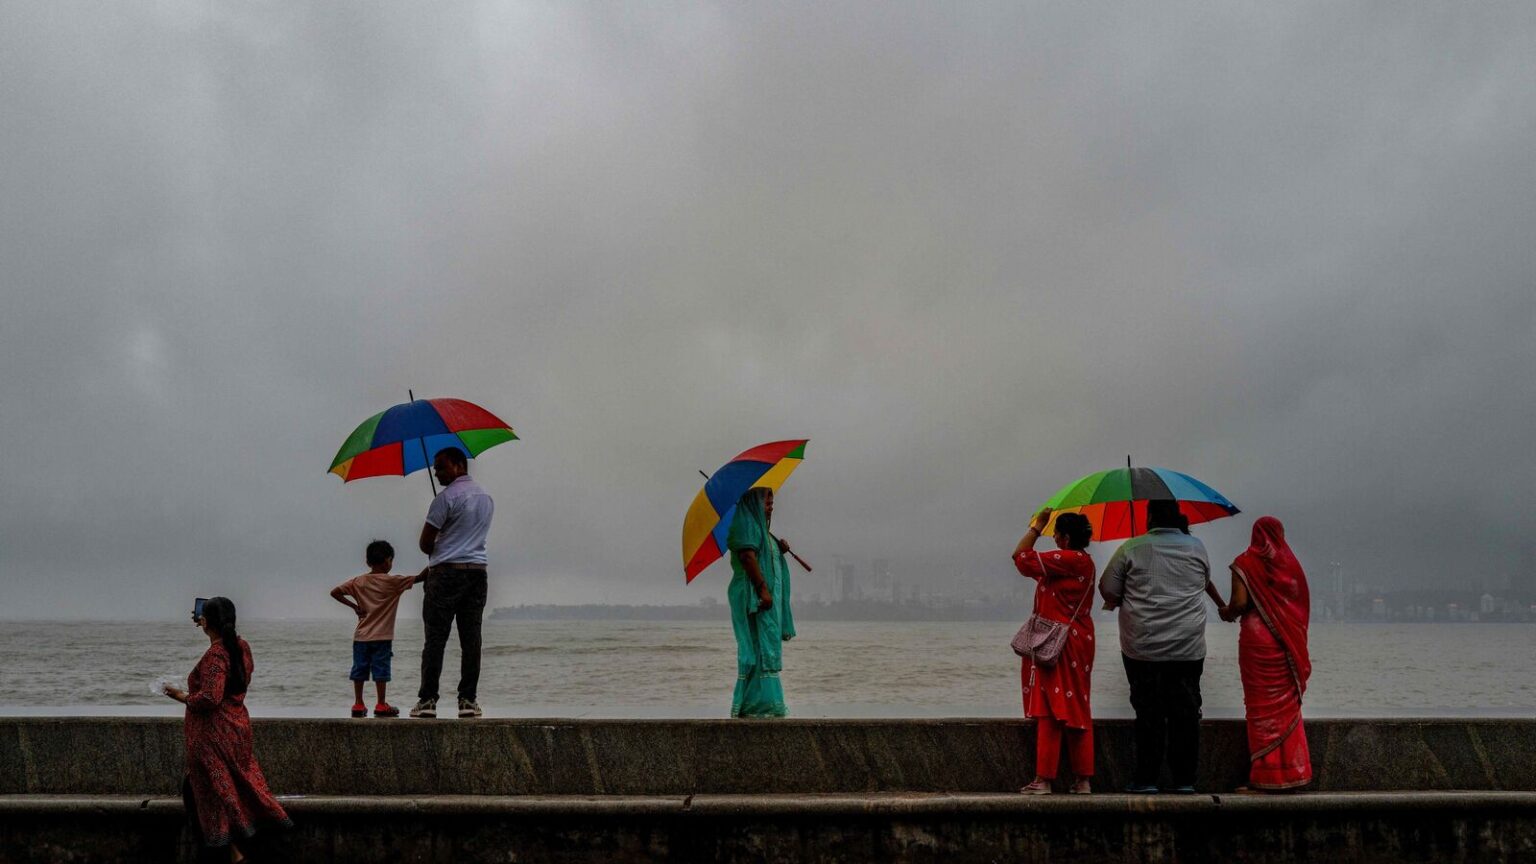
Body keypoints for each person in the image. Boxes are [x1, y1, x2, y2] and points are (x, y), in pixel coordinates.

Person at [162, 597, 291, 861]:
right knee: (233, 785)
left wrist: (180, 695)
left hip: (212, 736)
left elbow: (210, 697)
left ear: (207, 622)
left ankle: (231, 851)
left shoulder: (216, 654)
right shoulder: (241, 647)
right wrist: (207, 622)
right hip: (237, 728)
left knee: (206, 791)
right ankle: (238, 850)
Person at [1099, 499, 1214, 794]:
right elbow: (1203, 581)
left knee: (1148, 712)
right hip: (1188, 647)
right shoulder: (1196, 546)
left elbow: (1108, 589)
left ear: (1149, 517)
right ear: (1177, 518)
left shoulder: (1131, 548)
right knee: (1186, 712)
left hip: (1143, 646)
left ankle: (1147, 778)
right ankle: (1185, 780)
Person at [1221, 516, 1313, 791]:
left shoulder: (1244, 563)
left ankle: (1265, 776)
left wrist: (1226, 613)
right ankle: (1294, 773)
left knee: (1260, 708)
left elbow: (1239, 603)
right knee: (1286, 707)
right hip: (1284, 643)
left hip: (1256, 641)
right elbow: (1299, 607)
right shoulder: (1291, 566)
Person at [1012, 508, 1097, 795]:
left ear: (1065, 537)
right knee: (1077, 708)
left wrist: (1036, 527)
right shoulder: (1082, 562)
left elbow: (1021, 557)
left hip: (1057, 644)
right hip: (1078, 642)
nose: (1055, 538)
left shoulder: (1069, 559)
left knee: (1049, 709)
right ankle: (1083, 779)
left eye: (1056, 534)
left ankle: (1044, 779)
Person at [411, 446, 495, 719]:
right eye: (436, 468)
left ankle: (427, 700)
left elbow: (425, 544)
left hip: (446, 575)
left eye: (441, 466)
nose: (436, 472)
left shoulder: (444, 499)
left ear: (459, 465)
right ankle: (468, 701)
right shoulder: (486, 497)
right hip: (477, 573)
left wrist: (440, 541)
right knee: (472, 639)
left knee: (435, 639)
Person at [330, 540, 428, 718]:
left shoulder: (358, 582)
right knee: (381, 670)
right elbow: (420, 578)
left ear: (368, 562)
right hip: (382, 636)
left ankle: (358, 703)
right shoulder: (393, 582)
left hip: (361, 636)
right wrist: (437, 560)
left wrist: (354, 607)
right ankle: (381, 704)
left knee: (359, 669)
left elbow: (335, 592)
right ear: (388, 561)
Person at [726, 488, 797, 718]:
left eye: (772, 500)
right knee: (756, 646)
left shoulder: (760, 529)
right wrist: (762, 589)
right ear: (752, 501)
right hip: (754, 598)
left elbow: (764, 558)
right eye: (766, 500)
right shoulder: (745, 524)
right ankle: (758, 706)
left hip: (765, 599)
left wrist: (780, 550)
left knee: (765, 646)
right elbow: (747, 556)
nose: (770, 505)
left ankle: (766, 704)